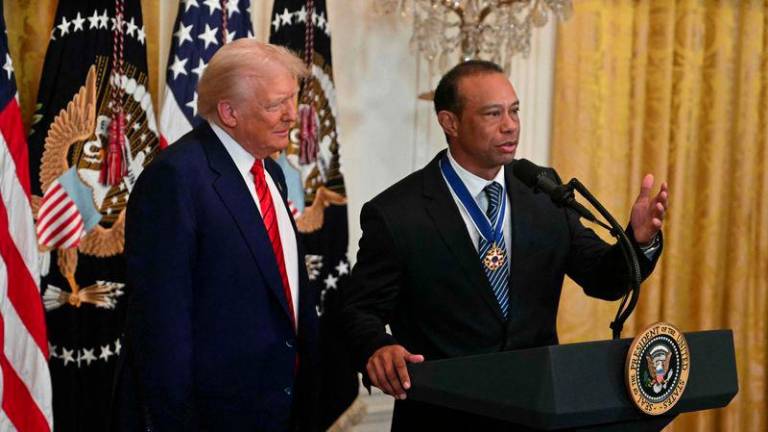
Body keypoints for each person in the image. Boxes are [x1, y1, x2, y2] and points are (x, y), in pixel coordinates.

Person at [340, 60, 668, 430]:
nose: (510, 125)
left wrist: (639, 240)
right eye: (493, 113)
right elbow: (359, 309)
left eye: (514, 111)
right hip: (443, 416)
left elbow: (604, 280)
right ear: (450, 122)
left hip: (538, 412)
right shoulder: (398, 212)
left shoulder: (543, 192)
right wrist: (377, 347)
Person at [112, 40, 319, 431]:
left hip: (281, 405)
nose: (293, 116)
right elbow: (162, 323)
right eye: (276, 104)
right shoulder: (176, 178)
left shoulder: (270, 173)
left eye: (293, 99)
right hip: (214, 416)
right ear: (229, 112)